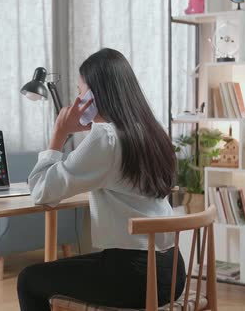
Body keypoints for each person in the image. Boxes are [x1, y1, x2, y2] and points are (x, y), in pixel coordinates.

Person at [17, 48, 186, 310]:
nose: (77, 99)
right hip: (172, 271)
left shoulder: (106, 137)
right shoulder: (150, 129)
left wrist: (59, 135)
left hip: (136, 276)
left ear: (96, 96)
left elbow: (41, 191)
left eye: (80, 91)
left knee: (29, 280)